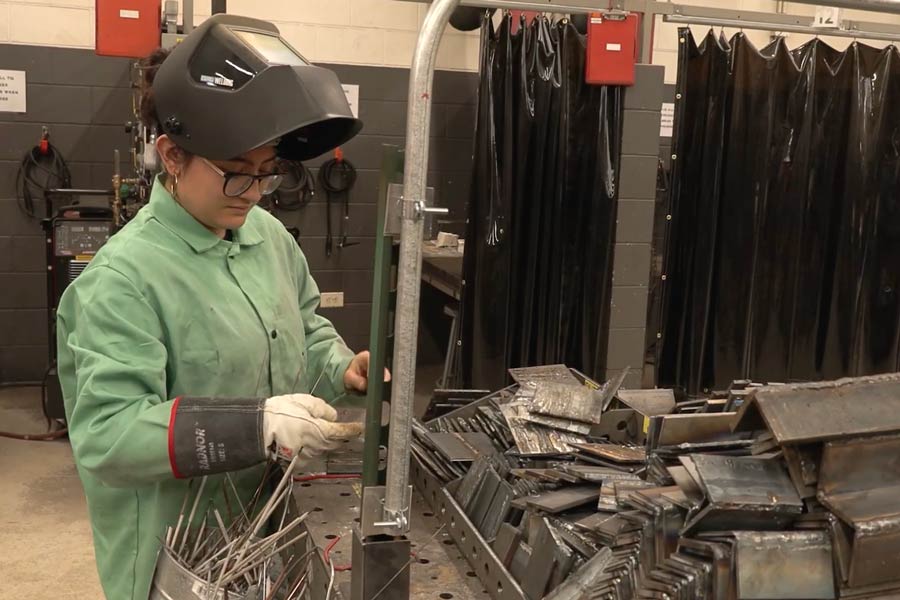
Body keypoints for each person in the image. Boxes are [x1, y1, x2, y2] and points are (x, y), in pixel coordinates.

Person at [55, 14, 382, 599]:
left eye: (267, 173)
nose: (254, 193)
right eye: (235, 175)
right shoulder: (122, 280)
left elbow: (303, 333)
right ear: (172, 156)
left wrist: (341, 370)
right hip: (177, 557)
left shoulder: (268, 238)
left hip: (271, 533)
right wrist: (253, 427)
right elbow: (108, 435)